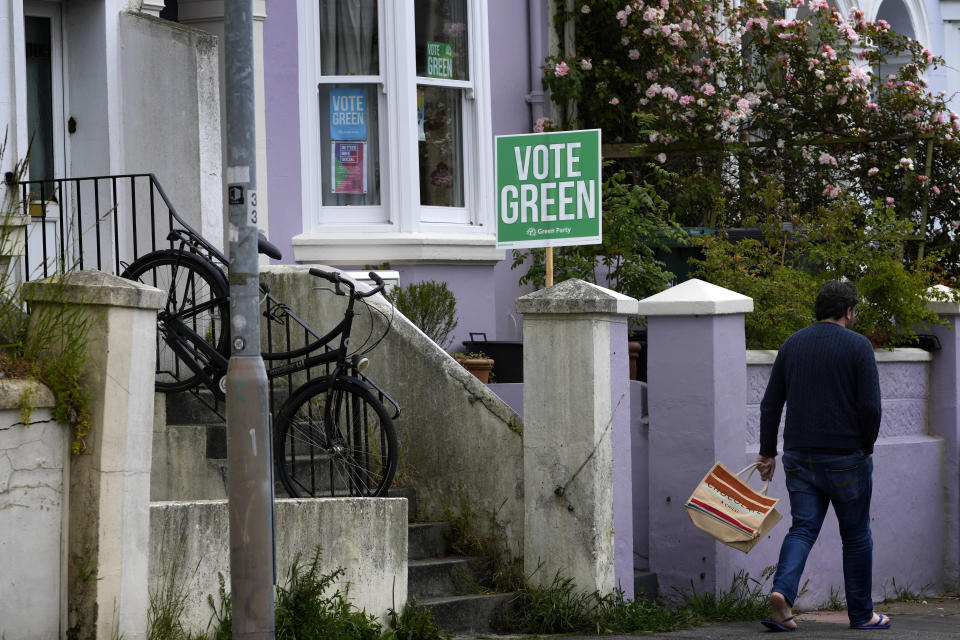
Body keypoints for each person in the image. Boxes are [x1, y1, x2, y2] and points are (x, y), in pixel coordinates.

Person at [755, 280, 889, 632]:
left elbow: (770, 404)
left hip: (799, 457)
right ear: (848, 311)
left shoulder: (792, 344)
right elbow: (871, 407)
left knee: (802, 528)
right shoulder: (859, 346)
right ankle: (862, 615)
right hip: (847, 456)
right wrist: (867, 446)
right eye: (854, 310)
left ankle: (782, 595)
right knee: (857, 535)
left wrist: (767, 453)